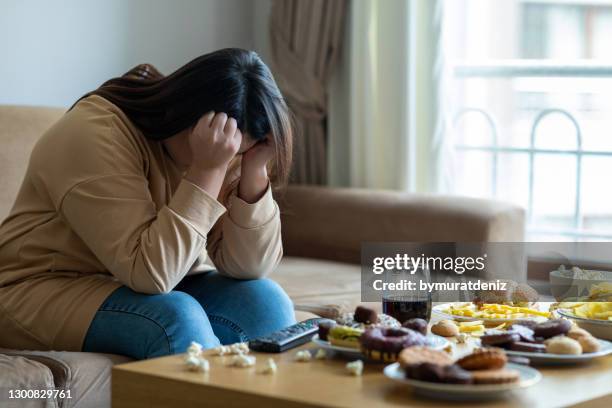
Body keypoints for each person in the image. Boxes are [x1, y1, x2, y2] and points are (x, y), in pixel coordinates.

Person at [0, 48, 296, 359]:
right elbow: (152, 274)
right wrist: (207, 169)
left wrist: (254, 170)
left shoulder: (224, 145)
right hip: (37, 290)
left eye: (240, 152)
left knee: (265, 303)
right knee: (176, 317)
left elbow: (249, 266)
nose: (230, 159)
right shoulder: (94, 132)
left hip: (132, 287)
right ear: (187, 112)